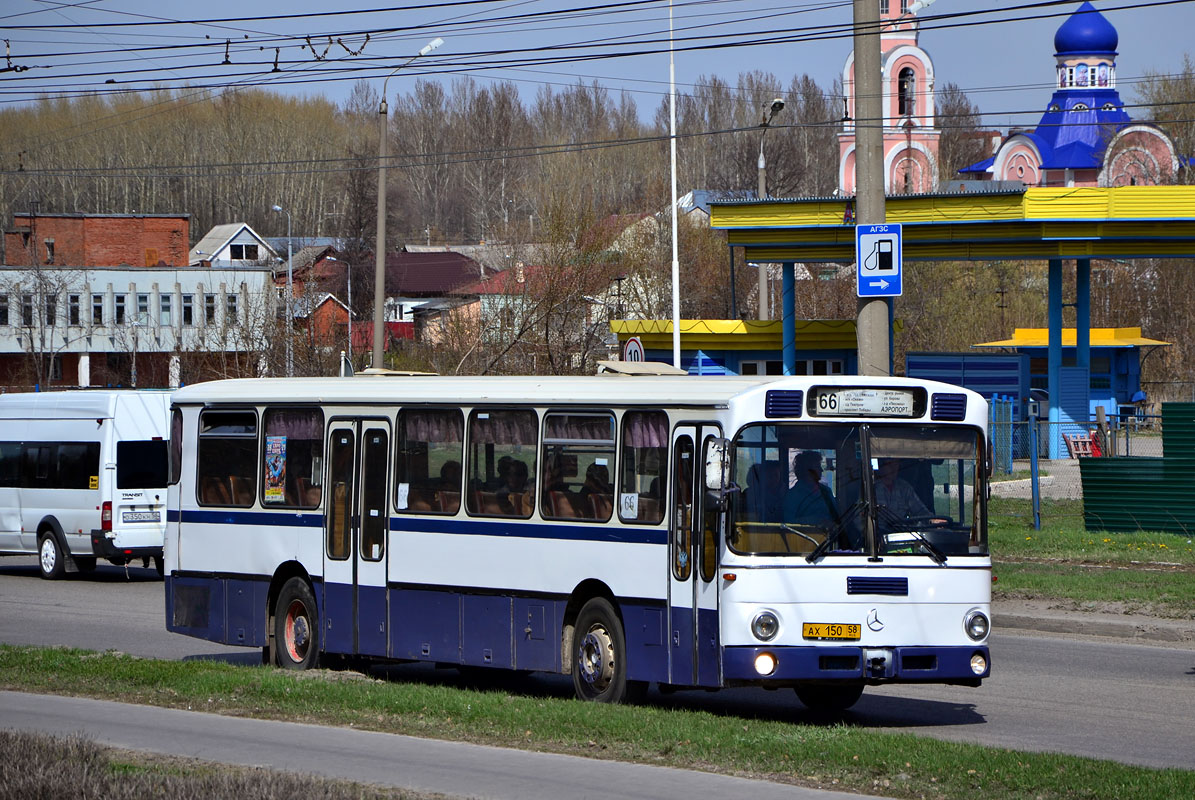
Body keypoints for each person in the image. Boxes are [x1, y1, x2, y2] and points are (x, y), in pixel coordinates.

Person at [874, 459, 939, 523]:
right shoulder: (872, 488)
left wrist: (933, 521)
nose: (893, 468)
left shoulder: (904, 488)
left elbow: (920, 511)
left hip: (901, 531)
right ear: (880, 467)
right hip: (877, 532)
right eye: (889, 464)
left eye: (896, 464)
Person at [783, 450, 837, 527]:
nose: (821, 470)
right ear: (807, 470)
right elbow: (789, 523)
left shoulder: (826, 491)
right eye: (817, 466)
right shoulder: (793, 495)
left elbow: (836, 517)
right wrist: (817, 521)